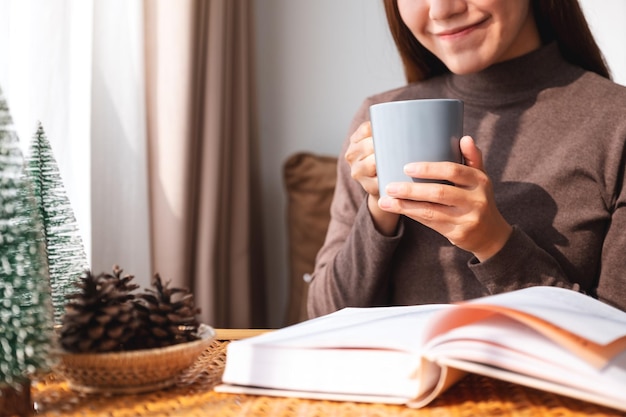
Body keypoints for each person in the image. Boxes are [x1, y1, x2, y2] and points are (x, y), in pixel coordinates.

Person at [307, 0, 626, 318]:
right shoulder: (379, 118)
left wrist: (494, 244)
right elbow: (322, 317)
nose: (441, 10)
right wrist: (380, 207)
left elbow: (617, 345)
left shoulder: (615, 124)